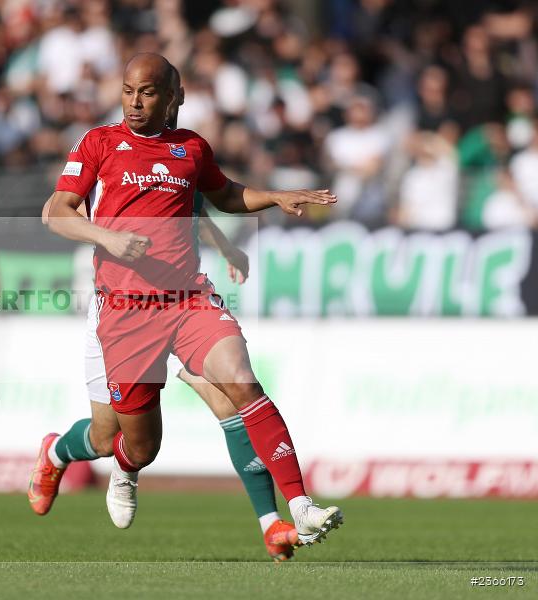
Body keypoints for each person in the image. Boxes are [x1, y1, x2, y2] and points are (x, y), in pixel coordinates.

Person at [35, 53, 342, 545]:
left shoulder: (191, 149)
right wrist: (107, 239)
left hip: (186, 298)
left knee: (239, 381)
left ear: (174, 97)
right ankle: (75, 456)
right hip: (124, 310)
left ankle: (297, 506)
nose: (135, 102)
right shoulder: (99, 143)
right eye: (129, 90)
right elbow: (56, 212)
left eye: (148, 92)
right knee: (134, 444)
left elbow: (222, 197)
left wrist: (277, 196)